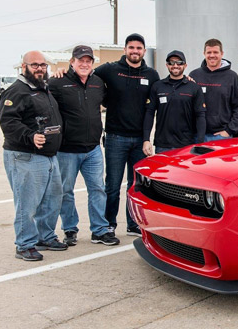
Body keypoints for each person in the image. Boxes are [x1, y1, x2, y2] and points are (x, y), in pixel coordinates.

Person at [0, 51, 68, 261]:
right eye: (35, 65)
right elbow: (8, 122)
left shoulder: (43, 88)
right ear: (24, 67)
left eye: (43, 65)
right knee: (27, 203)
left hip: (49, 156)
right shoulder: (16, 91)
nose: (40, 68)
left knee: (52, 200)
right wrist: (30, 136)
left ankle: (45, 237)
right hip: (25, 156)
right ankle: (24, 245)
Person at [49, 45, 120, 247]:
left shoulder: (98, 83)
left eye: (88, 61)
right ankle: (70, 229)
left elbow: (110, 102)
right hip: (67, 150)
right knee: (66, 191)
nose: (85, 64)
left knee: (97, 189)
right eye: (81, 60)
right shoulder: (57, 82)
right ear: (72, 62)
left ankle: (99, 230)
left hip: (93, 149)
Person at [95, 33, 160, 236]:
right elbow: (86, 75)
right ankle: (108, 225)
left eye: (139, 48)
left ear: (144, 51)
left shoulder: (151, 75)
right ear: (125, 50)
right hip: (116, 137)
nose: (135, 51)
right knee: (112, 185)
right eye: (131, 48)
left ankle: (133, 224)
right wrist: (65, 71)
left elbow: (164, 92)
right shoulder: (110, 70)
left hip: (140, 140)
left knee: (135, 185)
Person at [143, 50, 205, 155]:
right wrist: (146, 139)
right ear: (167, 65)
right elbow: (149, 113)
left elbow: (200, 115)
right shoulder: (157, 86)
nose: (175, 65)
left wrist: (199, 142)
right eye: (171, 62)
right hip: (162, 145)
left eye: (179, 62)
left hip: (186, 146)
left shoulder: (194, 87)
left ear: (185, 65)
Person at [189, 38, 238, 142]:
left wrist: (229, 130)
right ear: (204, 53)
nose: (212, 55)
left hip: (221, 137)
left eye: (215, 52)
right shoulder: (194, 75)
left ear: (222, 53)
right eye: (209, 52)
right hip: (197, 136)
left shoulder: (232, 77)